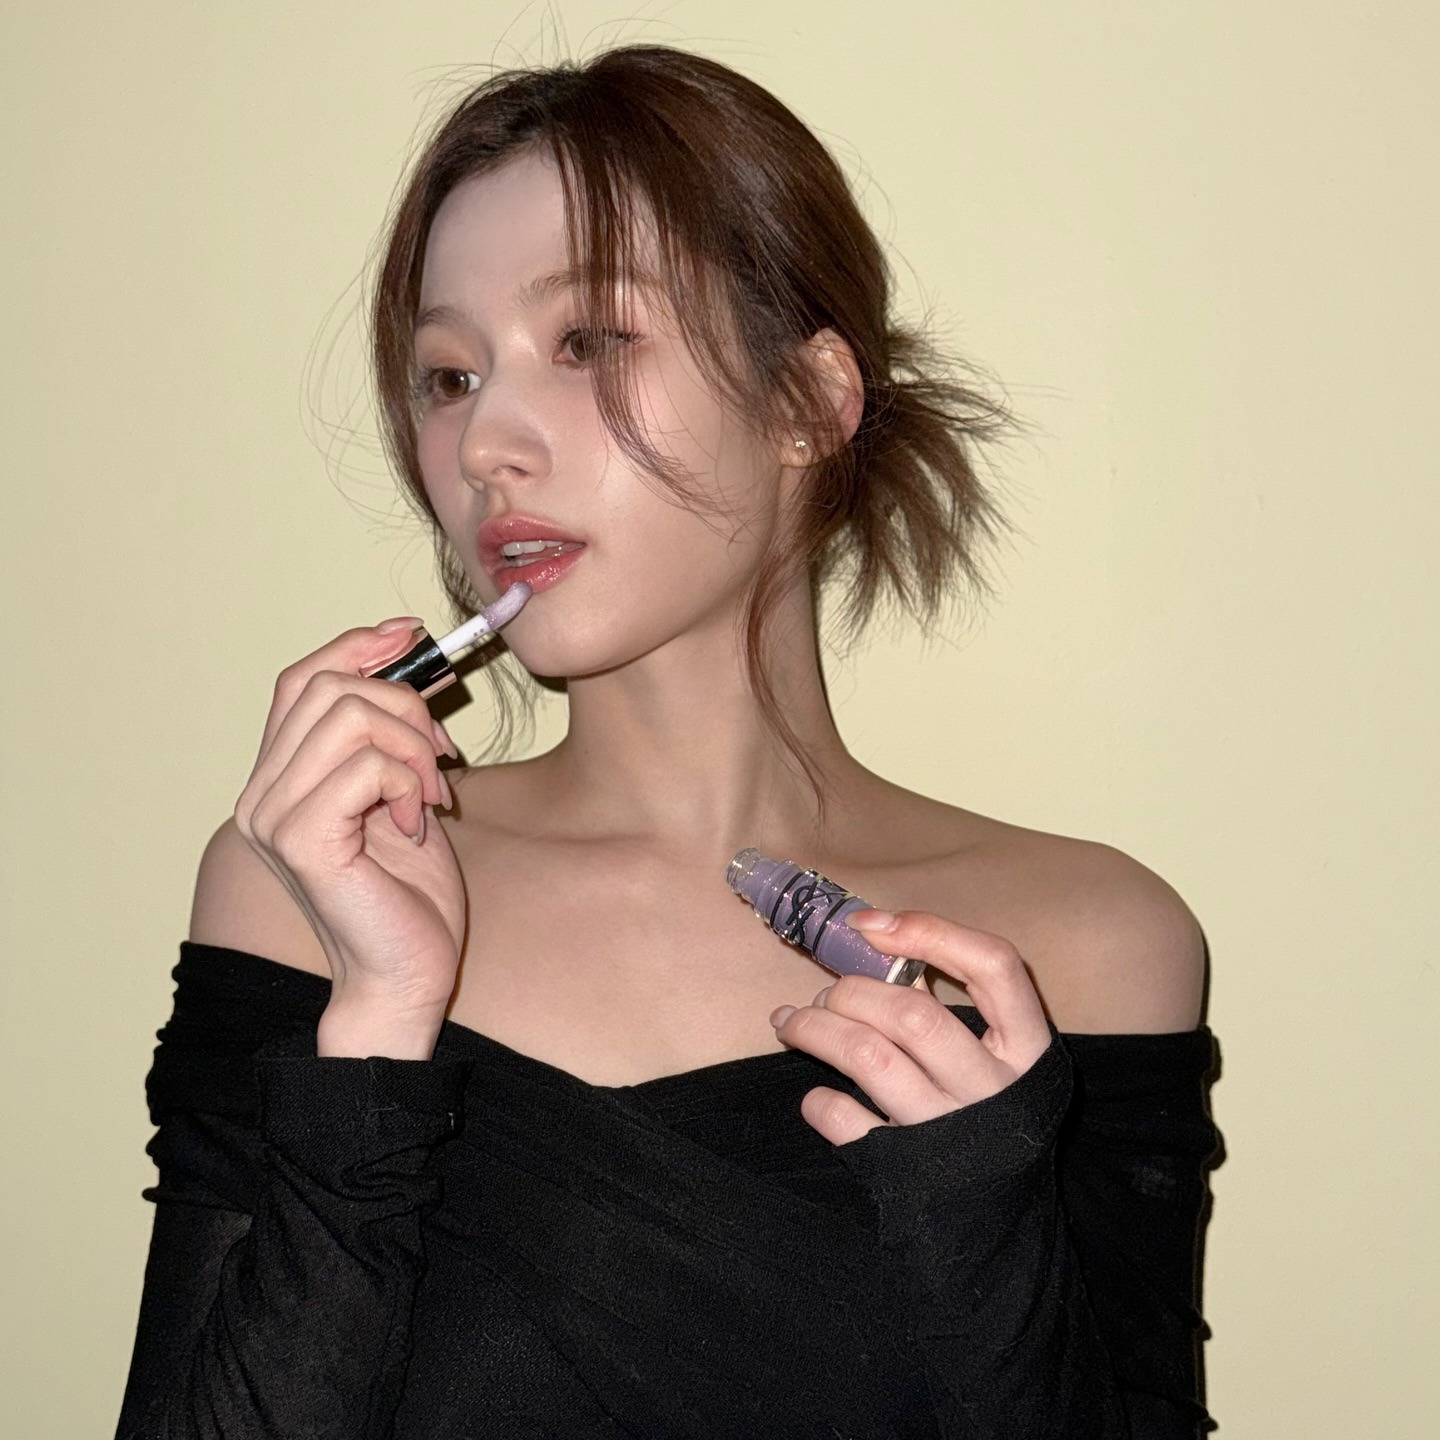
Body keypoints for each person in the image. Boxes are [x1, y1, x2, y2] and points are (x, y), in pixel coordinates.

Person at [115, 44, 1220, 1439]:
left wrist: (984, 1227)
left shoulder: (1093, 943)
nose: (487, 444)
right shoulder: (310, 894)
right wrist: (378, 1032)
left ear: (809, 403)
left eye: (588, 343)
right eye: (449, 376)